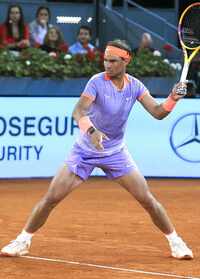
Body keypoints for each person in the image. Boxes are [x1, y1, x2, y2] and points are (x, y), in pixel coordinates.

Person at [1, 39, 193, 260]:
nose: (107, 65)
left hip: (115, 153)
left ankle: (176, 243)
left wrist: (173, 98)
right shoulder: (96, 82)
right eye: (105, 60)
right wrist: (92, 131)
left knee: (147, 200)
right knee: (50, 199)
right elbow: (78, 111)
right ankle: (22, 241)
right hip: (84, 152)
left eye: (113, 61)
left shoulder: (135, 86)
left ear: (125, 61)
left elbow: (158, 113)